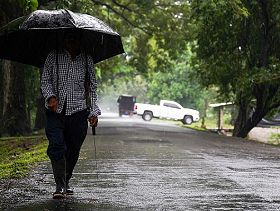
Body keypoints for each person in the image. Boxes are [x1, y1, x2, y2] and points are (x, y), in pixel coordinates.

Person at [41, 28, 101, 199]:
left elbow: (93, 88)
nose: (71, 41)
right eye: (69, 38)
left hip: (79, 111)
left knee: (73, 149)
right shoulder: (54, 56)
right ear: (63, 39)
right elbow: (45, 80)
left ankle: (66, 180)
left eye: (75, 38)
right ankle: (59, 186)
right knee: (57, 145)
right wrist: (51, 97)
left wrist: (93, 112)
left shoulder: (87, 60)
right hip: (56, 111)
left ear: (80, 41)